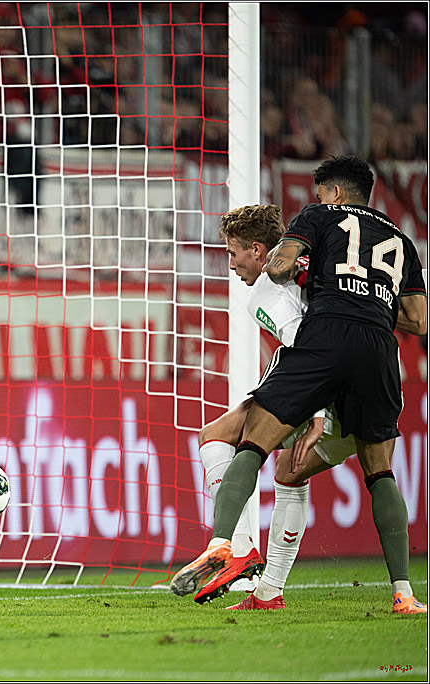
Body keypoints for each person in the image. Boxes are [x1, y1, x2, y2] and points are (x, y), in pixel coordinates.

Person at [171, 156, 428, 615]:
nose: (230, 264)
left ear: (332, 193)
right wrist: (366, 298)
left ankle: (231, 544)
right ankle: (402, 594)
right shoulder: (401, 239)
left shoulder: (315, 223)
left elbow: (281, 273)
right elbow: (419, 320)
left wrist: (296, 267)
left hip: (326, 349)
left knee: (244, 443)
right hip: (380, 357)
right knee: (367, 473)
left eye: (232, 253)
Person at [194, 204, 360, 609]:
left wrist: (317, 413)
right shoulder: (322, 262)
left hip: (326, 394)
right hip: (370, 391)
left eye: (233, 253)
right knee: (288, 472)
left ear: (257, 249)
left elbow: (303, 344)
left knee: (214, 436)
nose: (231, 264)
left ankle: (239, 546)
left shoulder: (268, 288)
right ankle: (268, 592)